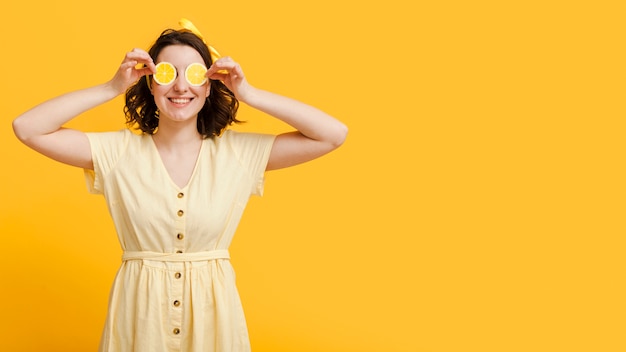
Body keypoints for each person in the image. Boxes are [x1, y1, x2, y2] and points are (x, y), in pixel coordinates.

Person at [12, 19, 347, 352]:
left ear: (210, 84)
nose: (181, 87)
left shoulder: (239, 154)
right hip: (139, 320)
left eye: (195, 74)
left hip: (214, 321)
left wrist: (249, 93)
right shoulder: (116, 152)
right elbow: (27, 128)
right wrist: (111, 87)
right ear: (150, 82)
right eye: (168, 74)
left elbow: (333, 134)